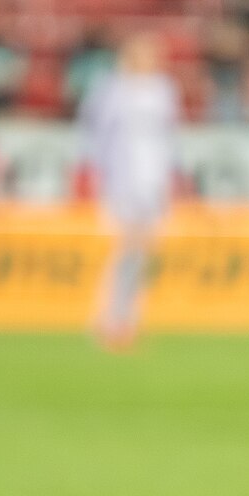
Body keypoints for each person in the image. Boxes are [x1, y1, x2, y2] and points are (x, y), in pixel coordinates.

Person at [79, 31, 179, 350]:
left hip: (154, 180)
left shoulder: (163, 90)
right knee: (125, 249)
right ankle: (110, 316)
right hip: (123, 178)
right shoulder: (113, 89)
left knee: (143, 252)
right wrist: (94, 172)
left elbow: (170, 137)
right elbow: (95, 133)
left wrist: (172, 177)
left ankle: (128, 315)